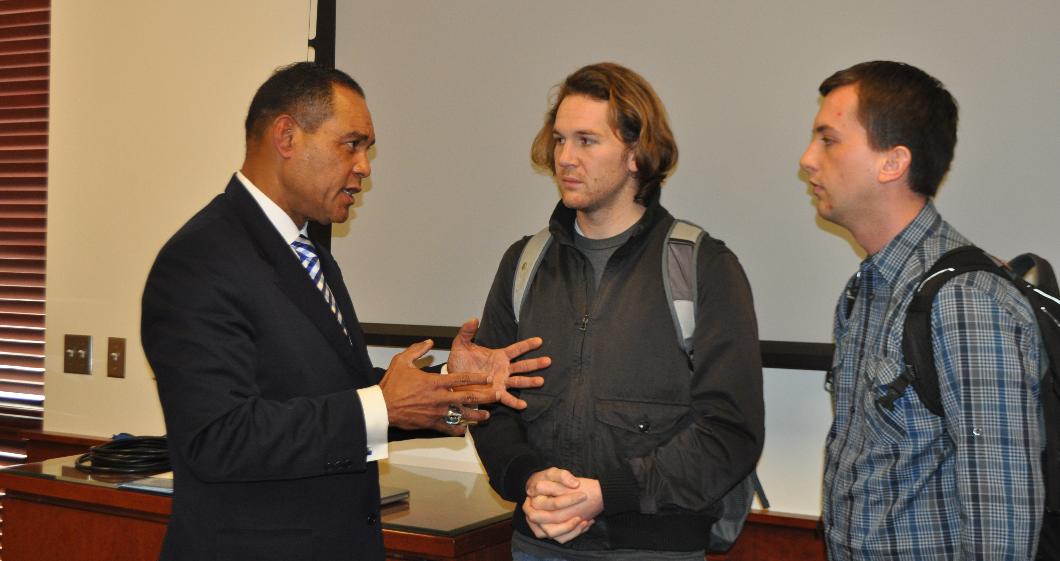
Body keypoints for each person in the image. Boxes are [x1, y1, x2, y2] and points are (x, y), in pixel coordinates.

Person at [141, 62, 548, 561]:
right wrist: (382, 407)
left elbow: (334, 390)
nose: (365, 167)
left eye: (367, 149)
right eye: (350, 144)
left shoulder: (311, 256)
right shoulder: (198, 260)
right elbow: (218, 437)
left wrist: (446, 385)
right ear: (286, 136)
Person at [469, 62, 765, 560]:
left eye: (587, 141)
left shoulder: (703, 265)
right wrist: (530, 479)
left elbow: (730, 430)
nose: (565, 157)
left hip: (657, 547)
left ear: (636, 154)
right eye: (560, 140)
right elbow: (492, 403)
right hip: (539, 541)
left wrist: (608, 494)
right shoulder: (523, 262)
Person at [800, 61, 1046, 560]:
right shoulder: (865, 289)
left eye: (828, 140)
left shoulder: (966, 302)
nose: (807, 160)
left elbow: (1001, 518)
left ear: (892, 163)